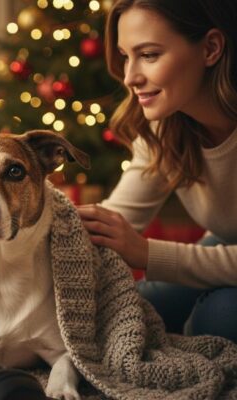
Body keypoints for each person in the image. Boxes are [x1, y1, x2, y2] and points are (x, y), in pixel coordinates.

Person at [77, 0, 237, 342]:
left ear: (211, 48)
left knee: (220, 318)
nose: (130, 76)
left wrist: (146, 253)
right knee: (131, 309)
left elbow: (136, 246)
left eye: (148, 55)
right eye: (125, 55)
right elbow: (114, 220)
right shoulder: (164, 130)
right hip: (226, 247)